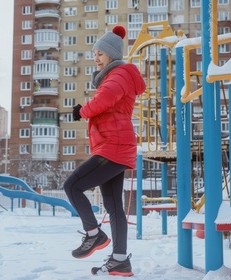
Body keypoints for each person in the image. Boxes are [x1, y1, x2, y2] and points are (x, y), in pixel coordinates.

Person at [63, 25, 145, 277]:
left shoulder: (118, 73)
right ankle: (120, 259)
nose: (95, 57)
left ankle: (94, 234)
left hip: (114, 146)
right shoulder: (117, 74)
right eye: (94, 53)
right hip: (115, 145)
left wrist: (82, 110)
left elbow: (105, 99)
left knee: (72, 186)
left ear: (111, 54)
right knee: (113, 205)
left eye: (100, 53)